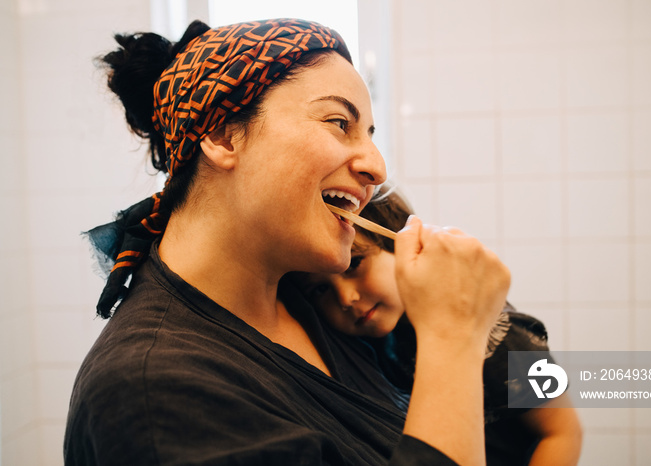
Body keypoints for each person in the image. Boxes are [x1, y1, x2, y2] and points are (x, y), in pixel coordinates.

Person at [64, 19, 511, 465]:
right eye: (339, 122)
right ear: (222, 135)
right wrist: (453, 336)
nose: (377, 166)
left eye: (370, 135)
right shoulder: (154, 389)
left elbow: (548, 391)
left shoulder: (309, 298)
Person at [297, 186, 583, 465]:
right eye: (320, 290)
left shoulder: (499, 336)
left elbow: (563, 432)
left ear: (406, 249)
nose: (345, 298)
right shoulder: (367, 347)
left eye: (355, 264)